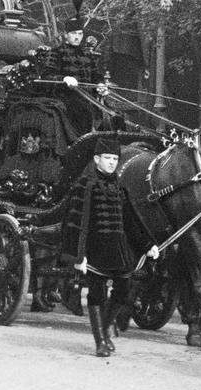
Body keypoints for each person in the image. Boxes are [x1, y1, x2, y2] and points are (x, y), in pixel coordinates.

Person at [60, 136, 157, 358]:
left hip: (118, 250)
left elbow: (131, 221)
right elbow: (77, 222)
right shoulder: (86, 185)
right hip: (94, 250)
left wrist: (146, 245)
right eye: (107, 158)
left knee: (123, 291)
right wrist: (79, 256)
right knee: (96, 294)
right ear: (97, 160)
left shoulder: (118, 186)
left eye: (115, 158)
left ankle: (104, 328)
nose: (112, 162)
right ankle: (100, 341)